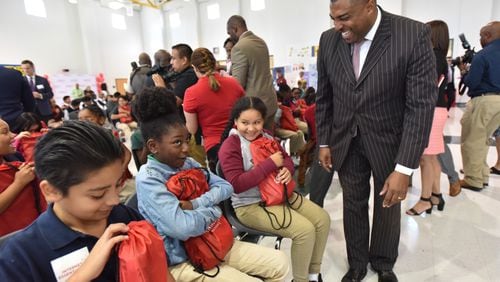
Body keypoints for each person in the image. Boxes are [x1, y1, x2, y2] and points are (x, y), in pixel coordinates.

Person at [316, 1, 437, 281]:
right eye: (333, 18)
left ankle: (383, 262)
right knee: (352, 202)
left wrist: (404, 168)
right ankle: (357, 264)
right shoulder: (329, 39)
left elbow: (420, 106)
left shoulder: (411, 34)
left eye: (344, 18)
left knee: (388, 202)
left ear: (369, 6)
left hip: (388, 141)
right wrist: (324, 142)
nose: (337, 27)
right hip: (346, 139)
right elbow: (324, 96)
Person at [134, 89, 289, 281]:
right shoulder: (149, 179)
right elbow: (182, 228)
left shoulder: (187, 163)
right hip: (183, 260)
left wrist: (196, 205)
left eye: (187, 140)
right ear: (153, 146)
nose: (186, 148)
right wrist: (214, 212)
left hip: (213, 240)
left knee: (280, 263)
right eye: (177, 143)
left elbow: (225, 187)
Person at [0, 121, 169, 281]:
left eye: (118, 185)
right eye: (97, 195)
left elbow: (161, 273)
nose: (114, 200)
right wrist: (80, 277)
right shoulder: (21, 257)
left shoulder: (125, 216)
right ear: (51, 191)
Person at [218, 96, 330, 282]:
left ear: (263, 121)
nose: (251, 128)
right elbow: (236, 184)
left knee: (323, 219)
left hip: (280, 194)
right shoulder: (231, 146)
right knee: (305, 231)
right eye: (245, 122)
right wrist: (270, 164)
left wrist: (287, 169)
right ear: (236, 121)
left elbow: (285, 157)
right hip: (251, 205)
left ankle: (312, 274)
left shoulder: (267, 136)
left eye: (257, 122)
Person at [406, 20, 449, 216]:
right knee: (432, 158)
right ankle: (436, 195)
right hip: (439, 110)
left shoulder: (432, 56)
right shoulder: (441, 57)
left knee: (425, 158)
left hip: (431, 111)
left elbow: (424, 86)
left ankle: (424, 200)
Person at [184, 47, 245, 173]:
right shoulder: (234, 83)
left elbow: (192, 129)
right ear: (215, 64)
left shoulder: (191, 92)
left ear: (194, 68)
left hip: (215, 147)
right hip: (241, 141)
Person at [459, 21, 500, 191]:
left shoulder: (483, 55)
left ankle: (473, 179)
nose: (480, 40)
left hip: (483, 100)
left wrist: (464, 72)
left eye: (481, 36)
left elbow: (472, 82)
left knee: (472, 140)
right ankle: (482, 175)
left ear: (488, 36)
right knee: (483, 140)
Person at [227, 15, 278, 131]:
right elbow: (255, 68)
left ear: (235, 29)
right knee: (268, 142)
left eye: (229, 33)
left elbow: (237, 83)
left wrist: (225, 78)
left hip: (254, 107)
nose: (230, 37)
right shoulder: (261, 42)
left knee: (254, 146)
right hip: (270, 101)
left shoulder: (239, 47)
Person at [0, 118, 47, 236]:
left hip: (35, 230)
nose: (13, 135)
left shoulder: (14, 162)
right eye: (5, 132)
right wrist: (18, 183)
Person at [20, 60, 54, 124]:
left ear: (33, 68)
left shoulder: (43, 80)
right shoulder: (21, 81)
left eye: (27, 68)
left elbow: (50, 94)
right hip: (28, 112)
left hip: (44, 111)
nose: (25, 70)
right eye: (23, 69)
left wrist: (40, 96)